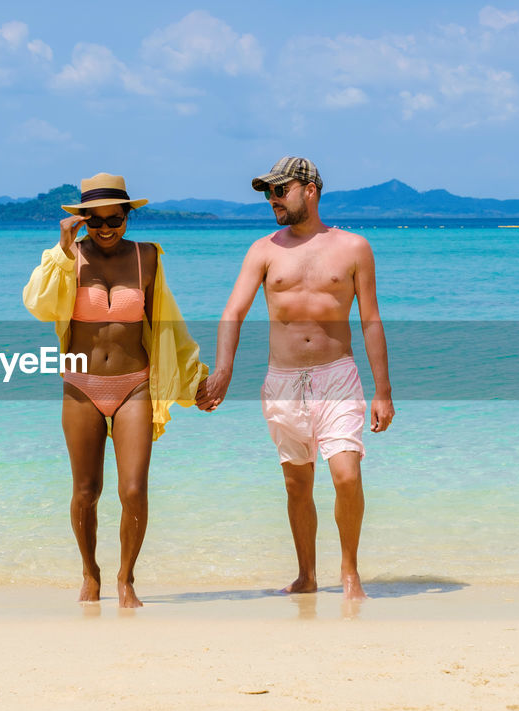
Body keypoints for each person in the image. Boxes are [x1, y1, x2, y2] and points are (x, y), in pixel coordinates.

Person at [197, 156, 394, 601]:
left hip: (337, 377)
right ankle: (306, 574)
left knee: (346, 476)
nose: (272, 200)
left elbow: (371, 321)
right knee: (296, 484)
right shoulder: (263, 250)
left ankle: (349, 572)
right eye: (268, 192)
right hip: (282, 382)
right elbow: (233, 313)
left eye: (279, 190)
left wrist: (383, 390)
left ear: (310, 190)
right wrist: (224, 370)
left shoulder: (355, 248)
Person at [23, 173, 209, 608]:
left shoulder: (148, 258)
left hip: (135, 385)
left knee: (133, 490)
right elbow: (38, 304)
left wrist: (196, 377)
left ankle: (127, 577)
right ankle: (90, 572)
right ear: (83, 219)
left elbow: (169, 325)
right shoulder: (67, 259)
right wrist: (63, 251)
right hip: (81, 386)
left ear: (129, 217)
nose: (106, 229)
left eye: (116, 220)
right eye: (96, 221)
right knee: (86, 491)